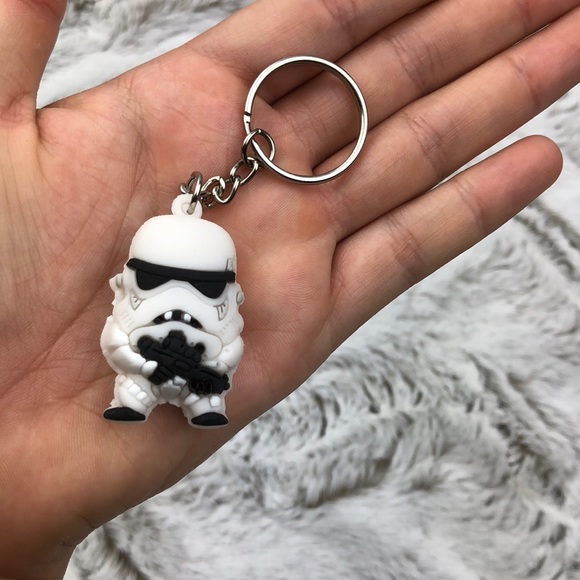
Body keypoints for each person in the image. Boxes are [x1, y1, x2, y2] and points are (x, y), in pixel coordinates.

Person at [1, 0, 579, 577]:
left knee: (206, 393)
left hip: (198, 377)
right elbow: (116, 342)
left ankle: (202, 405)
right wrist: (140, 361)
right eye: (155, 281)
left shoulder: (219, 325)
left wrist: (210, 371)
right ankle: (136, 402)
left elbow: (226, 350)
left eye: (204, 290)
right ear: (124, 282)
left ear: (232, 296)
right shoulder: (128, 322)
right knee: (134, 388)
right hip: (137, 376)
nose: (179, 303)